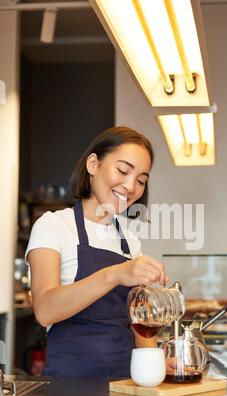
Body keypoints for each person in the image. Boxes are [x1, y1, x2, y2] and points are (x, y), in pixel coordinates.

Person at [26, 127, 168, 378]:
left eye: (141, 180)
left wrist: (156, 366)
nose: (130, 186)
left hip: (127, 386)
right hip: (72, 392)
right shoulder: (54, 226)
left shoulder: (130, 242)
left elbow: (139, 323)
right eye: (123, 170)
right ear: (93, 164)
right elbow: (45, 310)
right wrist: (115, 274)